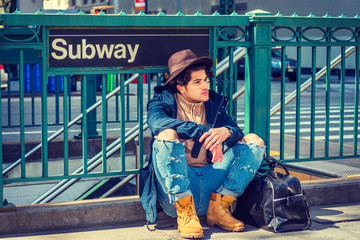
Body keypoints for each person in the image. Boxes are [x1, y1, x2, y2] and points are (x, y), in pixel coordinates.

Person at [140, 49, 266, 239]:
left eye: (206, 80)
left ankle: (220, 208)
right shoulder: (162, 101)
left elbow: (237, 131)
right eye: (197, 82)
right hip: (178, 191)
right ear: (181, 87)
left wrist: (227, 132)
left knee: (254, 140)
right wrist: (200, 130)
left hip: (213, 187)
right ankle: (185, 213)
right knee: (166, 134)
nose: (205, 85)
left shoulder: (213, 102)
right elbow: (157, 123)